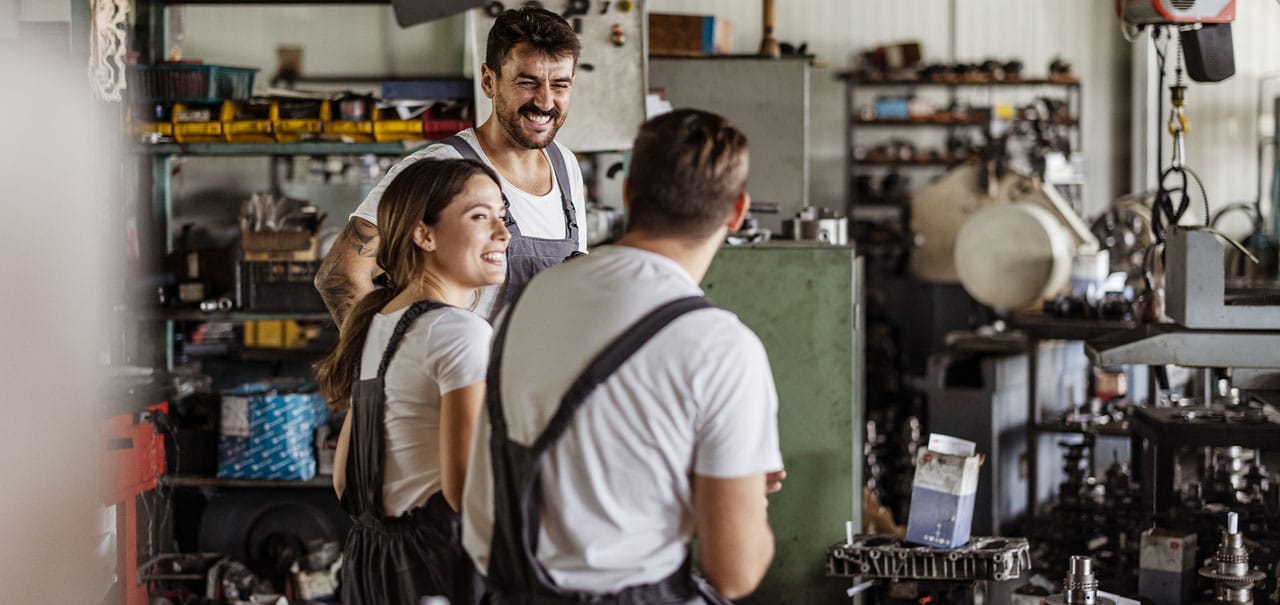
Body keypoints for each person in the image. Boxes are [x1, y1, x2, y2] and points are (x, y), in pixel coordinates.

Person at [461, 109, 785, 604]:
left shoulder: (529, 299)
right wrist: (741, 497)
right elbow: (735, 572)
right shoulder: (721, 347)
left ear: (629, 193)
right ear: (737, 213)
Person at [314, 158, 509, 605]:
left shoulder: (376, 323)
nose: (502, 232)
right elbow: (468, 494)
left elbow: (345, 484)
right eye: (480, 216)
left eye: (503, 215)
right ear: (425, 234)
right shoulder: (460, 332)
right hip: (438, 570)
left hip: (370, 564)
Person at [316, 6, 586, 326]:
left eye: (559, 85)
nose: (544, 102)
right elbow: (340, 276)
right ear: (489, 81)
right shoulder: (440, 167)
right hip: (461, 372)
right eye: (527, 82)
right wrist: (386, 359)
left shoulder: (566, 166)